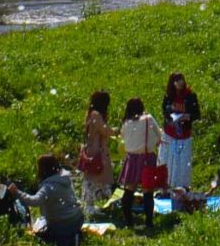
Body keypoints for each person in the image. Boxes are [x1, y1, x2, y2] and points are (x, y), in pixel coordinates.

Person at [4, 154, 85, 246]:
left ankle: (68, 240)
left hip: (62, 224)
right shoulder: (64, 178)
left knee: (44, 231)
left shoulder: (47, 187)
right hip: (77, 219)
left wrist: (16, 192)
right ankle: (74, 234)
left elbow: (34, 201)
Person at [117, 96, 160, 227]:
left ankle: (128, 220)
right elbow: (158, 135)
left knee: (129, 189)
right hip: (147, 157)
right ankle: (149, 221)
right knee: (148, 190)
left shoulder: (126, 123)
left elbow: (123, 138)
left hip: (131, 158)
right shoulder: (148, 119)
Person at [160, 72, 200, 201]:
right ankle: (166, 187)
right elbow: (164, 111)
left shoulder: (190, 96)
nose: (180, 83)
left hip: (184, 134)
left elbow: (197, 113)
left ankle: (183, 186)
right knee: (167, 161)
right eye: (177, 80)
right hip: (170, 133)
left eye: (181, 80)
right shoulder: (168, 96)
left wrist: (187, 116)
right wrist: (171, 118)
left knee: (182, 162)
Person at [78, 91, 114, 211]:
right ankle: (90, 205)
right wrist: (116, 131)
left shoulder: (90, 114)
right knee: (94, 177)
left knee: (94, 177)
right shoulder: (96, 115)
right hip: (96, 151)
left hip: (92, 149)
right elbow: (104, 130)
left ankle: (101, 203)